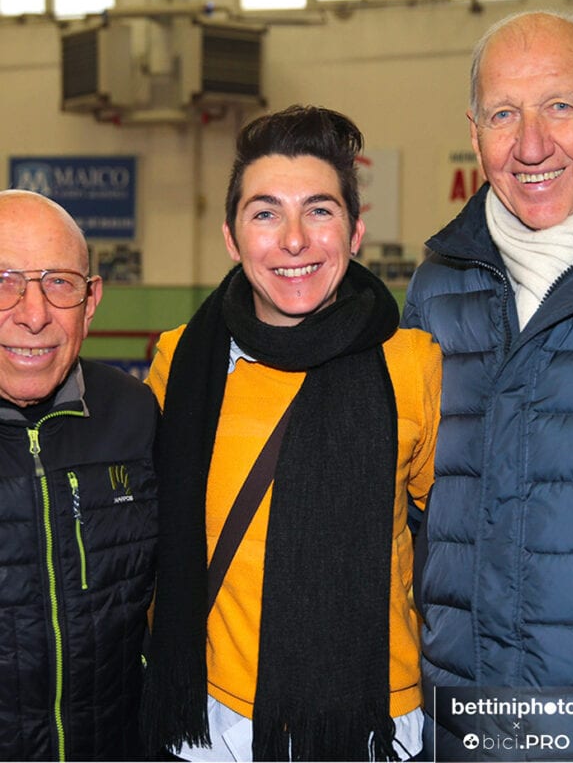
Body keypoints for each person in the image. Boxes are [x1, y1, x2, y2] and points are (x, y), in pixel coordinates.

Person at [140, 104, 441, 762]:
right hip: (210, 719)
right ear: (231, 237)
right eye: (266, 213)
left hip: (373, 719)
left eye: (320, 210)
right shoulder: (181, 363)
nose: (295, 240)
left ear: (355, 232)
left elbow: (455, 544)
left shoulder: (413, 365)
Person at [402, 10, 573, 759]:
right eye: (503, 114)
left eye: (560, 105)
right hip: (462, 728)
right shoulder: (436, 289)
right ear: (474, 130)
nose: (532, 145)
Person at [0, 189, 158, 761]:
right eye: (4, 282)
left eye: (59, 283)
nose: (33, 314)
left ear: (90, 303)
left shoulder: (136, 414)